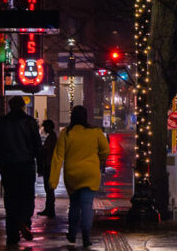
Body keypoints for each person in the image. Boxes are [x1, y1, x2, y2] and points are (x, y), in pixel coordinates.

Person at [47, 105, 108, 248]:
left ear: (72, 117)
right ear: (86, 117)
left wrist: (53, 181)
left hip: (72, 174)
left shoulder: (66, 133)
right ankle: (86, 235)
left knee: (74, 205)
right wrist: (98, 159)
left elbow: (58, 157)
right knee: (87, 204)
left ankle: (72, 234)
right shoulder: (95, 132)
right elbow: (105, 150)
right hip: (91, 173)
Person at [0, 95, 42, 246]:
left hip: (8, 165)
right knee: (26, 196)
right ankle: (24, 221)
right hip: (26, 164)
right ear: (23, 107)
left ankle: (12, 233)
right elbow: (37, 145)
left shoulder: (0, 123)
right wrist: (42, 166)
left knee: (10, 198)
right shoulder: (30, 123)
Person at [38, 120, 58, 217]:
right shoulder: (52, 136)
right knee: (49, 189)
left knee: (49, 188)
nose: (44, 129)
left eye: (45, 127)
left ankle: (50, 210)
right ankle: (49, 209)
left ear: (49, 127)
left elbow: (45, 150)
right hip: (49, 164)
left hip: (49, 165)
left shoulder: (51, 137)